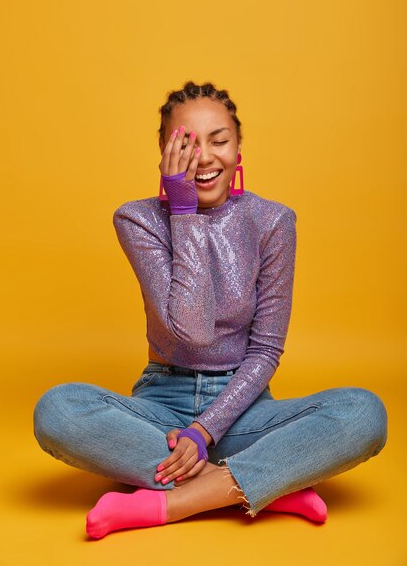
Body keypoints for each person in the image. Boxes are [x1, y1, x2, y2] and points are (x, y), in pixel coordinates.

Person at [33, 81, 388, 540]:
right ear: (163, 153)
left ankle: (175, 501)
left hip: (243, 408)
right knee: (57, 412)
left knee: (364, 413)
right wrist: (183, 211)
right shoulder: (137, 219)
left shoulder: (273, 222)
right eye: (186, 144)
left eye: (219, 141)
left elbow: (265, 350)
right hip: (159, 408)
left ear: (238, 150)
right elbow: (192, 330)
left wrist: (206, 431)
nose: (204, 158)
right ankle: (266, 482)